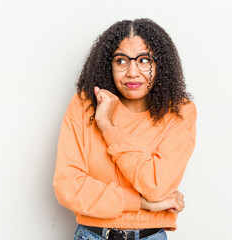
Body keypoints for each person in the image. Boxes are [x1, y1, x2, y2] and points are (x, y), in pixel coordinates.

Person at [53, 18, 197, 240]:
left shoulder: (179, 112)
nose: (132, 72)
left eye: (144, 60)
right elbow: (68, 187)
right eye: (121, 61)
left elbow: (157, 186)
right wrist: (141, 202)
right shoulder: (85, 105)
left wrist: (108, 126)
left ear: (160, 64)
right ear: (108, 65)